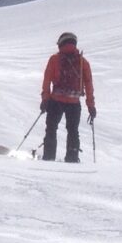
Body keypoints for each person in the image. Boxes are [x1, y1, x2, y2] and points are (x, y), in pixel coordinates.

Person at [40, 31, 96, 163]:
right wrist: (91, 106)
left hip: (56, 100)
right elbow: (89, 85)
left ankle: (49, 157)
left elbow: (47, 81)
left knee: (51, 129)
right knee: (73, 131)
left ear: (61, 44)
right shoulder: (83, 62)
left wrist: (45, 99)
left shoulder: (54, 59)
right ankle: (72, 158)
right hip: (74, 102)